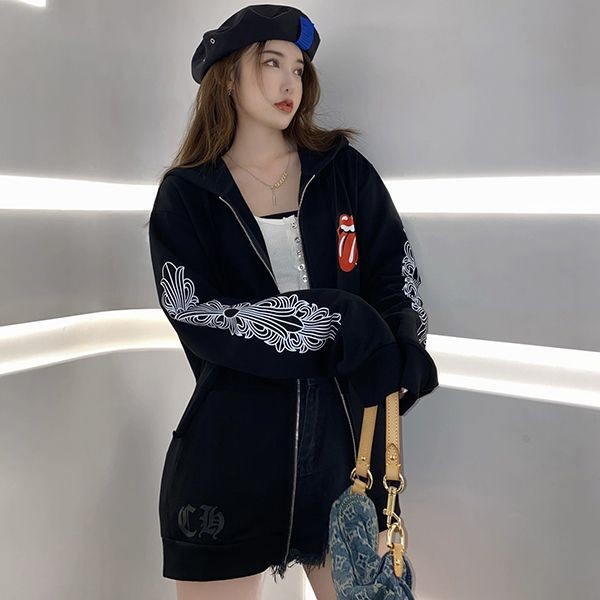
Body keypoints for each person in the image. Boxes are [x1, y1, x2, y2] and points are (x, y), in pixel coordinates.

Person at [147, 5, 439, 599]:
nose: (290, 83)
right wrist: (337, 321)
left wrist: (403, 345)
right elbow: (200, 315)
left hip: (347, 453)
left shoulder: (342, 172)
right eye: (271, 63)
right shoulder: (190, 194)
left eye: (299, 69)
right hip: (232, 454)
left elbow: (394, 274)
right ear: (228, 75)